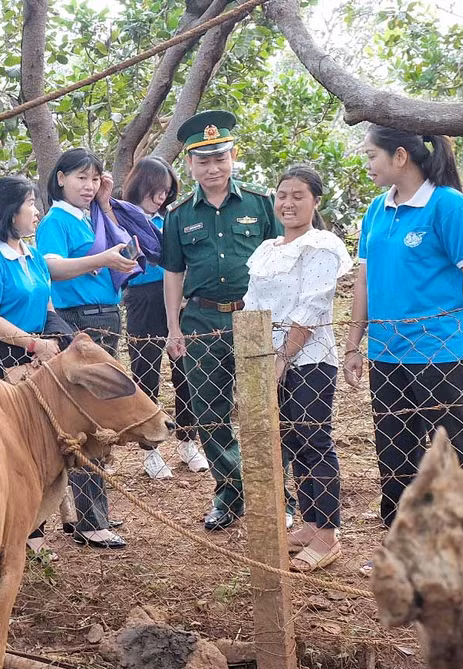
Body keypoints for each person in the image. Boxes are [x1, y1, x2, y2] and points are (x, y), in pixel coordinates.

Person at [344, 126, 463, 558]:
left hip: (441, 352)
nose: (368, 164)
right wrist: (355, 344)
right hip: (387, 353)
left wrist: (451, 308)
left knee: (459, 446)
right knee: (394, 453)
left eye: (372, 155)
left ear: (401, 157)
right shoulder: (377, 209)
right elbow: (365, 280)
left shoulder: (447, 205)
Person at [160, 110, 282, 531]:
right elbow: (173, 274)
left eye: (220, 158)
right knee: (208, 413)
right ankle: (231, 493)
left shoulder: (261, 203)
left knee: (263, 411)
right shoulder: (178, 216)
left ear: (233, 157)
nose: (213, 168)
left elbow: (282, 258)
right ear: (189, 165)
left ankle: (273, 494)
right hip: (201, 321)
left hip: (254, 321)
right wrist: (173, 329)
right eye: (203, 161)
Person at [243, 165, 352, 571]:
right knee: (287, 441)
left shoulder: (321, 246)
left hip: (308, 358)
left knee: (313, 439)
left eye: (298, 196)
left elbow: (312, 304)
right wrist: (260, 358)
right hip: (266, 359)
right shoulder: (267, 249)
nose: (288, 203)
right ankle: (311, 522)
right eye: (282, 195)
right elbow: (251, 303)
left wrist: (284, 355)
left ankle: (327, 536)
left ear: (315, 201)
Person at [0, 175, 75, 561]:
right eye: (31, 204)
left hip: (39, 358)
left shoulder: (31, 256)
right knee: (6, 451)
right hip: (1, 361)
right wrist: (33, 344)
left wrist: (64, 340)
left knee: (39, 449)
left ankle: (32, 534)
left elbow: (47, 308)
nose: (37, 212)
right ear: (12, 213)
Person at [36, 148, 138, 549]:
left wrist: (106, 204)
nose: (88, 185)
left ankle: (90, 515)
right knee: (81, 421)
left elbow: (127, 249)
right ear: (60, 178)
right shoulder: (55, 221)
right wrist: (102, 259)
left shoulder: (92, 217)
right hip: (76, 320)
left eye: (94, 179)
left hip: (106, 314)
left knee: (96, 420)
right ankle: (85, 520)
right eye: (81, 177)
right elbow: (51, 267)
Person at [121, 157, 209, 479]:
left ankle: (188, 442)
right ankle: (151, 450)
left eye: (167, 191)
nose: (161, 197)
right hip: (142, 298)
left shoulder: (170, 218)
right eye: (157, 190)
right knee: (146, 373)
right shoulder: (120, 217)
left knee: (185, 371)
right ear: (141, 184)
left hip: (177, 295)